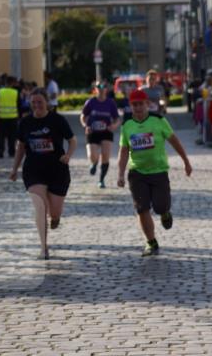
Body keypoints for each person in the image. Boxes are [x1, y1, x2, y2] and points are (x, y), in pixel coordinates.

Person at [117, 89, 192, 256]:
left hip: (158, 171)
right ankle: (151, 242)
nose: (137, 107)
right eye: (134, 104)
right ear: (130, 106)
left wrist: (186, 161)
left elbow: (174, 141)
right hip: (137, 173)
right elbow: (123, 151)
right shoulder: (127, 125)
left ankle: (165, 212)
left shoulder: (158, 120)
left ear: (147, 104)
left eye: (140, 104)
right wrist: (120, 174)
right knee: (141, 208)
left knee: (160, 205)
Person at [10, 88, 77, 259]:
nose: (37, 105)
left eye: (40, 102)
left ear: (46, 102)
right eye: (33, 103)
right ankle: (43, 247)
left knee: (53, 213)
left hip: (57, 170)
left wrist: (68, 155)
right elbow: (21, 147)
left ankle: (55, 218)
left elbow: (72, 140)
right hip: (33, 170)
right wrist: (14, 169)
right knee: (40, 206)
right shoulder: (25, 123)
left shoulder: (57, 120)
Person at [80, 82, 121, 188]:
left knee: (106, 156)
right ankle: (94, 163)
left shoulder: (110, 103)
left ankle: (101, 180)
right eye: (99, 86)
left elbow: (117, 119)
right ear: (95, 89)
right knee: (92, 155)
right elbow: (83, 116)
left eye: (104, 86)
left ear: (107, 89)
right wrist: (85, 126)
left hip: (106, 131)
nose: (101, 88)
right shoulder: (90, 102)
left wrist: (114, 126)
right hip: (92, 131)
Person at [0, 75, 21, 160]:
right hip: (13, 117)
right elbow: (19, 105)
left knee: (1, 136)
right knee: (12, 136)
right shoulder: (16, 92)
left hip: (2, 117)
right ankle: (11, 152)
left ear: (5, 83)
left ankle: (1, 152)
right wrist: (19, 116)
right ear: (12, 83)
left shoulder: (0, 91)